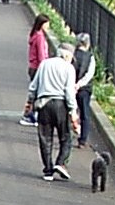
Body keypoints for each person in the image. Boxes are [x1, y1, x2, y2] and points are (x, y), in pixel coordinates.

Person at [26, 42, 78, 181]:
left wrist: (29, 102)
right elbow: (69, 92)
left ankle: (48, 170)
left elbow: (34, 85)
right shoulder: (69, 68)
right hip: (60, 104)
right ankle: (60, 163)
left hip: (44, 104)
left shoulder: (44, 64)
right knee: (65, 137)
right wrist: (73, 111)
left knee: (45, 138)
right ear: (67, 55)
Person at [20, 14, 51, 126]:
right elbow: (41, 54)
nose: (48, 26)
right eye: (47, 23)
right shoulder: (40, 37)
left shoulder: (35, 35)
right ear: (42, 24)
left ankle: (31, 115)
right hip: (38, 68)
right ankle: (30, 115)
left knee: (35, 92)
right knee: (38, 93)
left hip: (33, 67)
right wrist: (45, 67)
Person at [73, 32, 96, 148]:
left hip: (69, 87)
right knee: (84, 114)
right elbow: (89, 74)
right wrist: (80, 84)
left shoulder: (73, 54)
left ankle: (66, 133)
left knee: (69, 110)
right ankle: (82, 140)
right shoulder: (90, 57)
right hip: (84, 89)